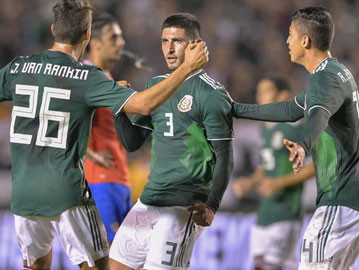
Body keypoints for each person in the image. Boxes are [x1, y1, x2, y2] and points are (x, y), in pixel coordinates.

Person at [0, 0, 208, 269]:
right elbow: (144, 104)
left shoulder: (18, 68)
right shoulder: (86, 77)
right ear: (88, 34)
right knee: (100, 266)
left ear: (53, 29)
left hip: (24, 192)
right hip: (66, 192)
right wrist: (186, 68)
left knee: (36, 266)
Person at [233, 6, 359, 270]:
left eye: (290, 34)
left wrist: (304, 143)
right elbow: (289, 109)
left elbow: (318, 117)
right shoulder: (333, 74)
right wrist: (236, 109)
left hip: (341, 200)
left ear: (305, 40)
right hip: (353, 203)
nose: (286, 41)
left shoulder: (325, 78)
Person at [110, 13, 234, 270]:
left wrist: (212, 205)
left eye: (176, 41)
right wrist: (118, 108)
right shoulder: (157, 85)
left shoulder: (211, 94)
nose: (169, 48)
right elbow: (133, 142)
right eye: (164, 41)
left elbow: (225, 156)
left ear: (195, 44)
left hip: (183, 205)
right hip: (148, 201)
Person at [233, 77, 315, 270]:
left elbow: (313, 166)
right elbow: (266, 167)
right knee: (264, 265)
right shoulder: (266, 130)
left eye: (266, 91)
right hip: (265, 212)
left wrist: (279, 183)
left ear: (283, 95)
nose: (259, 96)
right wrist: (249, 182)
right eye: (258, 91)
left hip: (286, 210)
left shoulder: (294, 129)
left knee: (270, 266)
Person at [83, 13, 132, 246]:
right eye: (114, 37)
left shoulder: (106, 77)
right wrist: (90, 154)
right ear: (96, 43)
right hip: (99, 179)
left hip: (118, 177)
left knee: (122, 256)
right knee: (106, 254)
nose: (121, 43)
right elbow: (60, 121)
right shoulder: (84, 78)